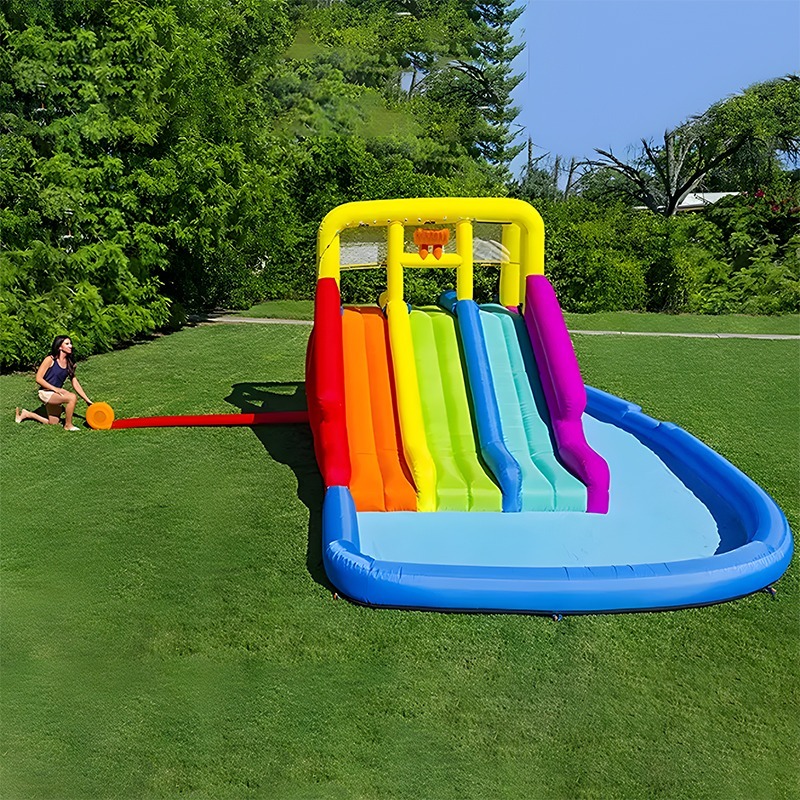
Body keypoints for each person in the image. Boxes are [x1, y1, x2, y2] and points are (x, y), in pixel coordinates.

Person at [15, 335, 93, 431]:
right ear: (60, 347)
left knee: (53, 422)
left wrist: (87, 400)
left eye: (70, 343)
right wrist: (55, 389)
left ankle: (27, 414)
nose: (70, 346)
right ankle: (68, 425)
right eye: (67, 344)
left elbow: (75, 382)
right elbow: (38, 379)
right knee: (72, 397)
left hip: (55, 393)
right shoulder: (50, 360)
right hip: (45, 392)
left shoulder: (70, 363)